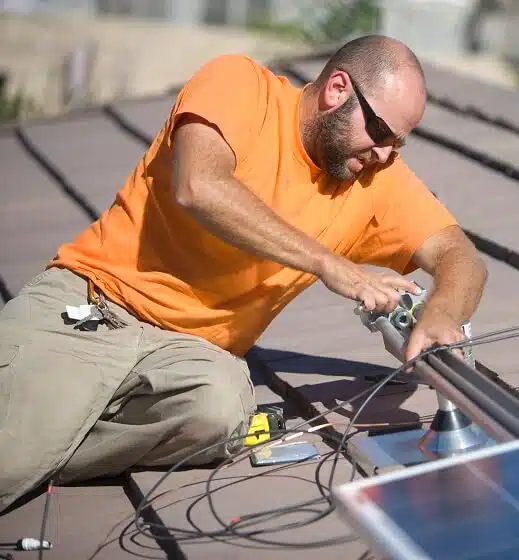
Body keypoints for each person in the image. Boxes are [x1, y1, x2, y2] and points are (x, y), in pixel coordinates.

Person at [0, 34, 487, 512]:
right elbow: (199, 186)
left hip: (189, 359)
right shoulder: (240, 86)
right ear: (339, 89)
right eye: (380, 133)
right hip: (96, 309)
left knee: (220, 412)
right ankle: (36, 442)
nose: (384, 155)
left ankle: (47, 440)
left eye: (398, 145)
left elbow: (460, 254)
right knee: (8, 460)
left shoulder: (372, 177)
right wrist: (332, 265)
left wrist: (443, 312)